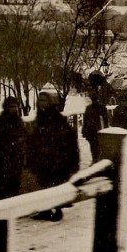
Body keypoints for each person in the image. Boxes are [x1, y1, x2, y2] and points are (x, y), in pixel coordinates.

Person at [25, 91, 80, 221]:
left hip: (55, 158)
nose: (41, 103)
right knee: (44, 184)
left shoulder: (55, 118)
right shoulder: (40, 117)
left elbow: (67, 137)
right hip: (43, 158)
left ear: (50, 103)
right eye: (40, 100)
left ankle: (57, 210)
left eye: (44, 100)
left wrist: (68, 159)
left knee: (54, 184)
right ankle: (46, 210)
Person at [82, 91, 109, 163]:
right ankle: (97, 159)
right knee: (98, 145)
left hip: (91, 130)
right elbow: (106, 120)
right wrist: (106, 129)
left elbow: (85, 120)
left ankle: (95, 159)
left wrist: (83, 131)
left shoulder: (89, 108)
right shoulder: (102, 107)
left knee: (93, 145)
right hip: (99, 129)